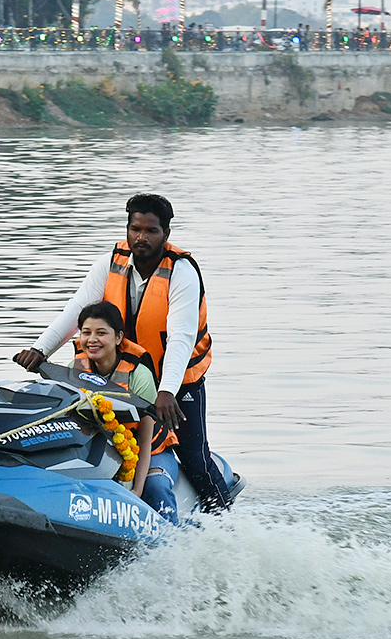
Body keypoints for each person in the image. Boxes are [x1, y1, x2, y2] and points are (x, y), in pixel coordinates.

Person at [14, 193, 231, 511]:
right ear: (128, 229)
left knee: (194, 457)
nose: (141, 238)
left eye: (151, 231)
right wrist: (40, 349)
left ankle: (223, 515)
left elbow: (181, 338)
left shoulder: (182, 272)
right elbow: (77, 311)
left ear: (165, 234)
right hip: (121, 377)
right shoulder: (109, 263)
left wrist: (167, 390)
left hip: (177, 384)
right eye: (135, 229)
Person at [71, 301, 179, 522]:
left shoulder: (139, 375)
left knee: (156, 488)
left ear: (119, 338)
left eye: (101, 333)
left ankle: (175, 542)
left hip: (153, 450)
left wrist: (137, 491)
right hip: (106, 451)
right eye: (86, 333)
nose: (92, 340)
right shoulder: (75, 369)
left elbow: (145, 438)